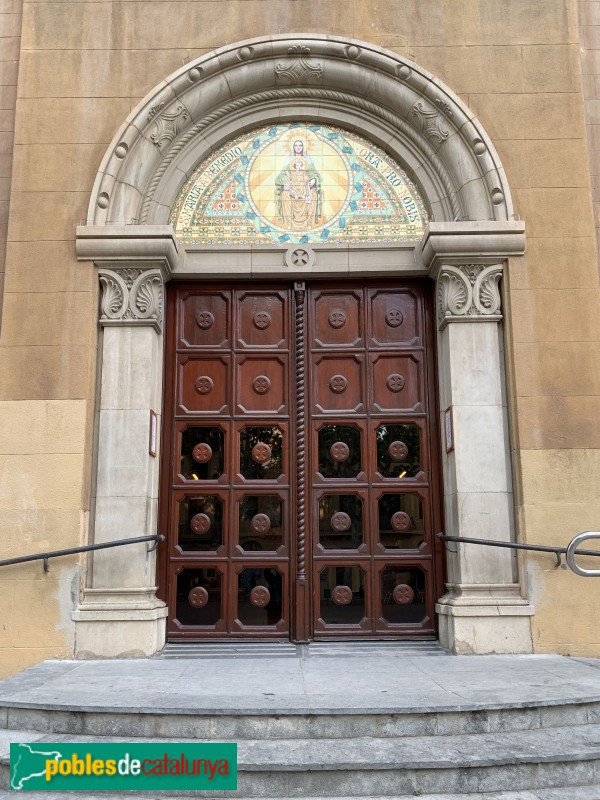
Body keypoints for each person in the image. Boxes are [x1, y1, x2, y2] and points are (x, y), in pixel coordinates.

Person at [275, 139, 322, 230]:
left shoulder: (308, 160)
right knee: (284, 194)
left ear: (303, 147)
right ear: (293, 147)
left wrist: (314, 180)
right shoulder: (288, 160)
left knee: (313, 193)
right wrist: (285, 184)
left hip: (305, 187)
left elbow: (314, 174)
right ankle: (288, 222)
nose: (298, 147)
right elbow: (281, 176)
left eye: (300, 145)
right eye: (296, 145)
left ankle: (309, 223)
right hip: (293, 188)